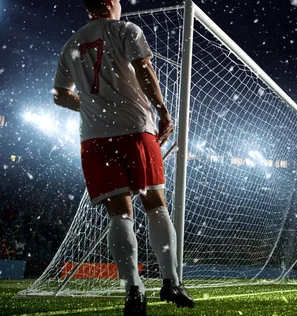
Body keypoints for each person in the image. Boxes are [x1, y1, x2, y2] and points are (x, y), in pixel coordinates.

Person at [52, 0, 194, 314]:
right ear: (109, 3)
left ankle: (133, 289)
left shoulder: (71, 44)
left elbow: (59, 94)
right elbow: (144, 68)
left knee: (119, 212)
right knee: (154, 203)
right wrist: (163, 112)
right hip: (134, 128)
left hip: (94, 138)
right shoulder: (125, 29)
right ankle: (171, 281)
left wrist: (91, 106)